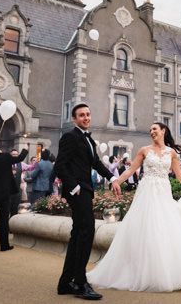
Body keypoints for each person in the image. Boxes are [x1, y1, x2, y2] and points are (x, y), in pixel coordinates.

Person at [87, 122, 181, 292]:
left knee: (165, 229)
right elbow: (130, 170)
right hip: (146, 194)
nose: (151, 132)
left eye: (154, 129)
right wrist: (116, 182)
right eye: (150, 130)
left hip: (163, 193)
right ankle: (139, 271)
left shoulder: (171, 153)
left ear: (163, 131)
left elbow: (179, 175)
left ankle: (168, 271)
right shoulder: (144, 150)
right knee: (144, 228)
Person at [54, 103, 120, 299]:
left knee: (79, 234)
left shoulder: (88, 141)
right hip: (77, 191)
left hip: (85, 191)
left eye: (88, 114)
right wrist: (74, 187)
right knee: (86, 232)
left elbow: (96, 164)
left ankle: (65, 282)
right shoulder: (70, 137)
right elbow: (60, 166)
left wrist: (112, 178)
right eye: (81, 115)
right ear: (74, 119)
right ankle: (81, 283)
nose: (86, 118)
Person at [10, 150, 37, 217]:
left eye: (16, 154)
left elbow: (30, 168)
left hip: (17, 190)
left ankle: (13, 223)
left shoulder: (21, 164)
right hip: (8, 190)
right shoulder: (7, 163)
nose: (15, 156)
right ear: (10, 155)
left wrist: (36, 163)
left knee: (15, 208)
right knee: (7, 209)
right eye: (13, 154)